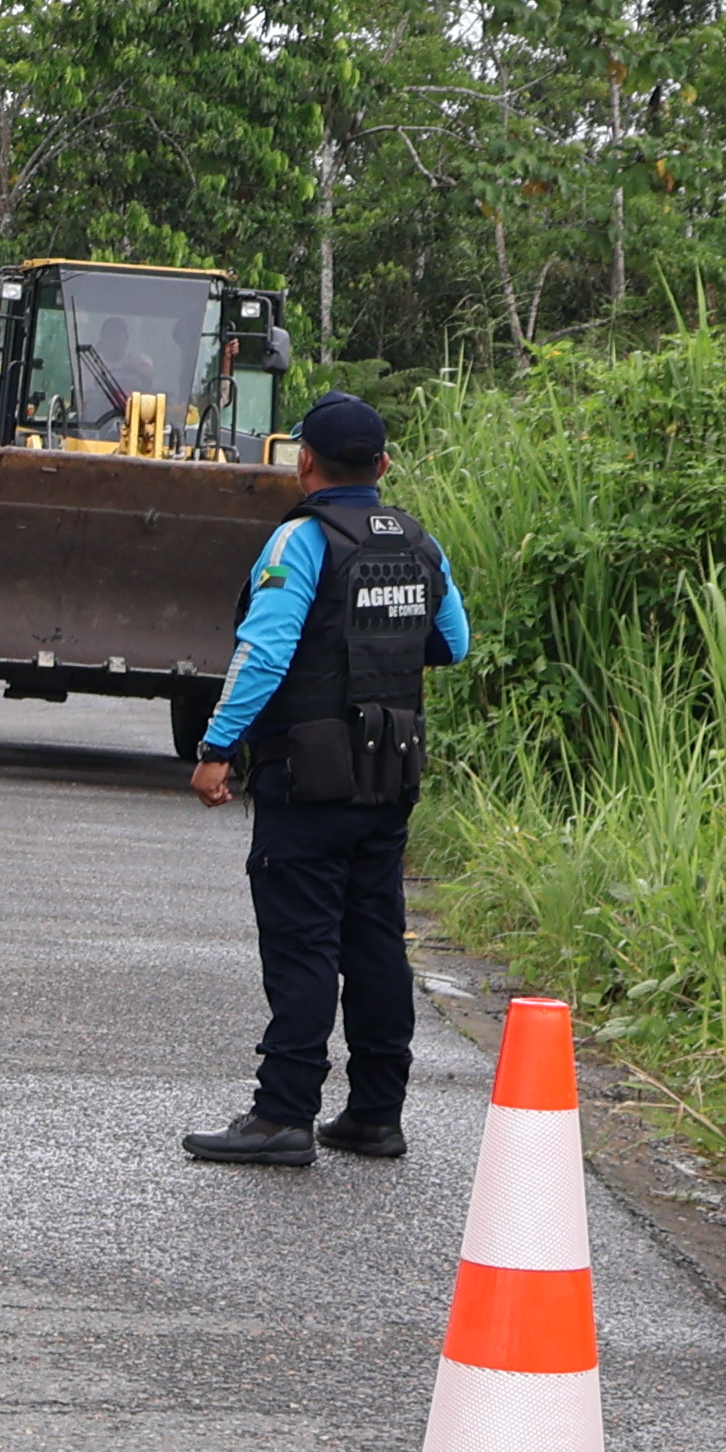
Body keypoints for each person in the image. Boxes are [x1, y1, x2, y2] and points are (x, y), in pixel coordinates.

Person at [181, 392, 471, 1170]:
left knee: (304, 941)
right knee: (375, 940)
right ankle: (376, 1113)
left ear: (304, 461)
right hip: (389, 777)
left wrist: (216, 747)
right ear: (382, 466)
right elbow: (454, 642)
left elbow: (265, 654)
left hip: (306, 778)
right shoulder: (420, 543)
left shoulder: (300, 542)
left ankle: (282, 1114)